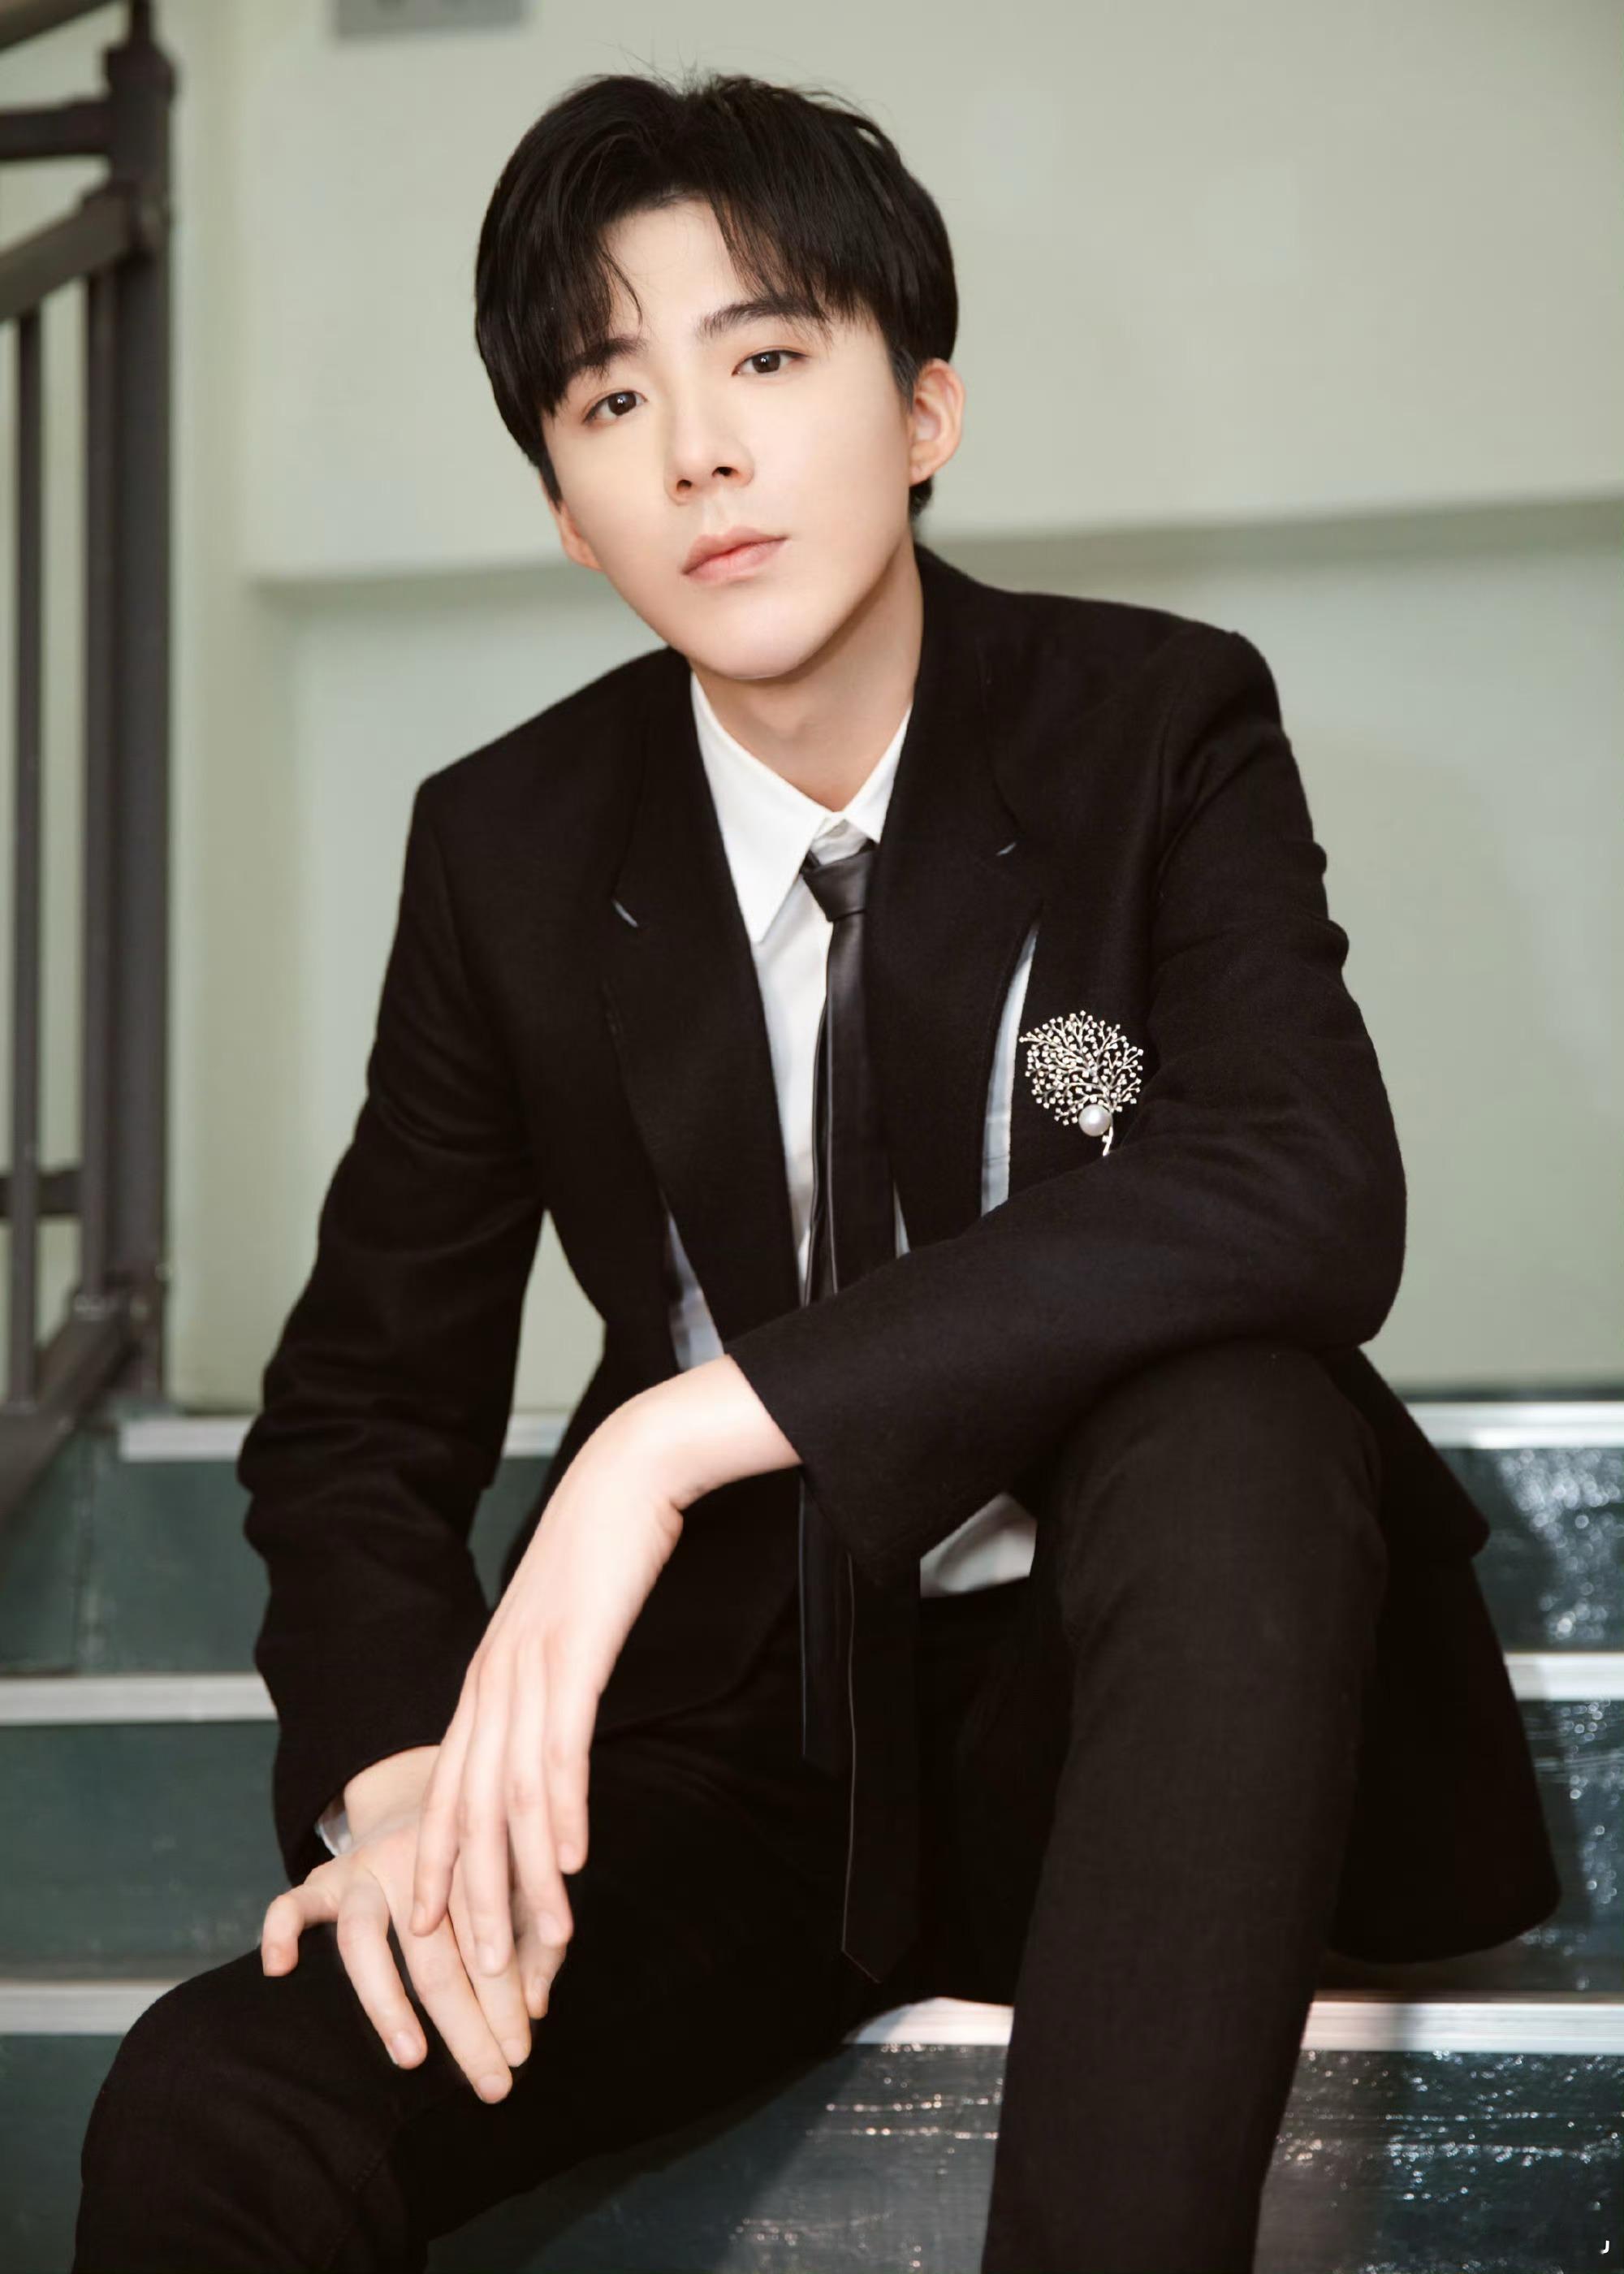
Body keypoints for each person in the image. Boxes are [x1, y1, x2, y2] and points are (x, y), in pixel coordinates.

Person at [72, 65, 1560, 2274]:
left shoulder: (1153, 723)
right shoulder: (506, 846)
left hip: (1136, 1720)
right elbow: (362, 1408)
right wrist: (400, 1780)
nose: (699, 451)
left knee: (1244, 1415)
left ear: (924, 409)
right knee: (217, 2107)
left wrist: (673, 1434)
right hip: (735, 1759)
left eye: (765, 359)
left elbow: (1301, 1183)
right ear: (571, 515)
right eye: (612, 399)